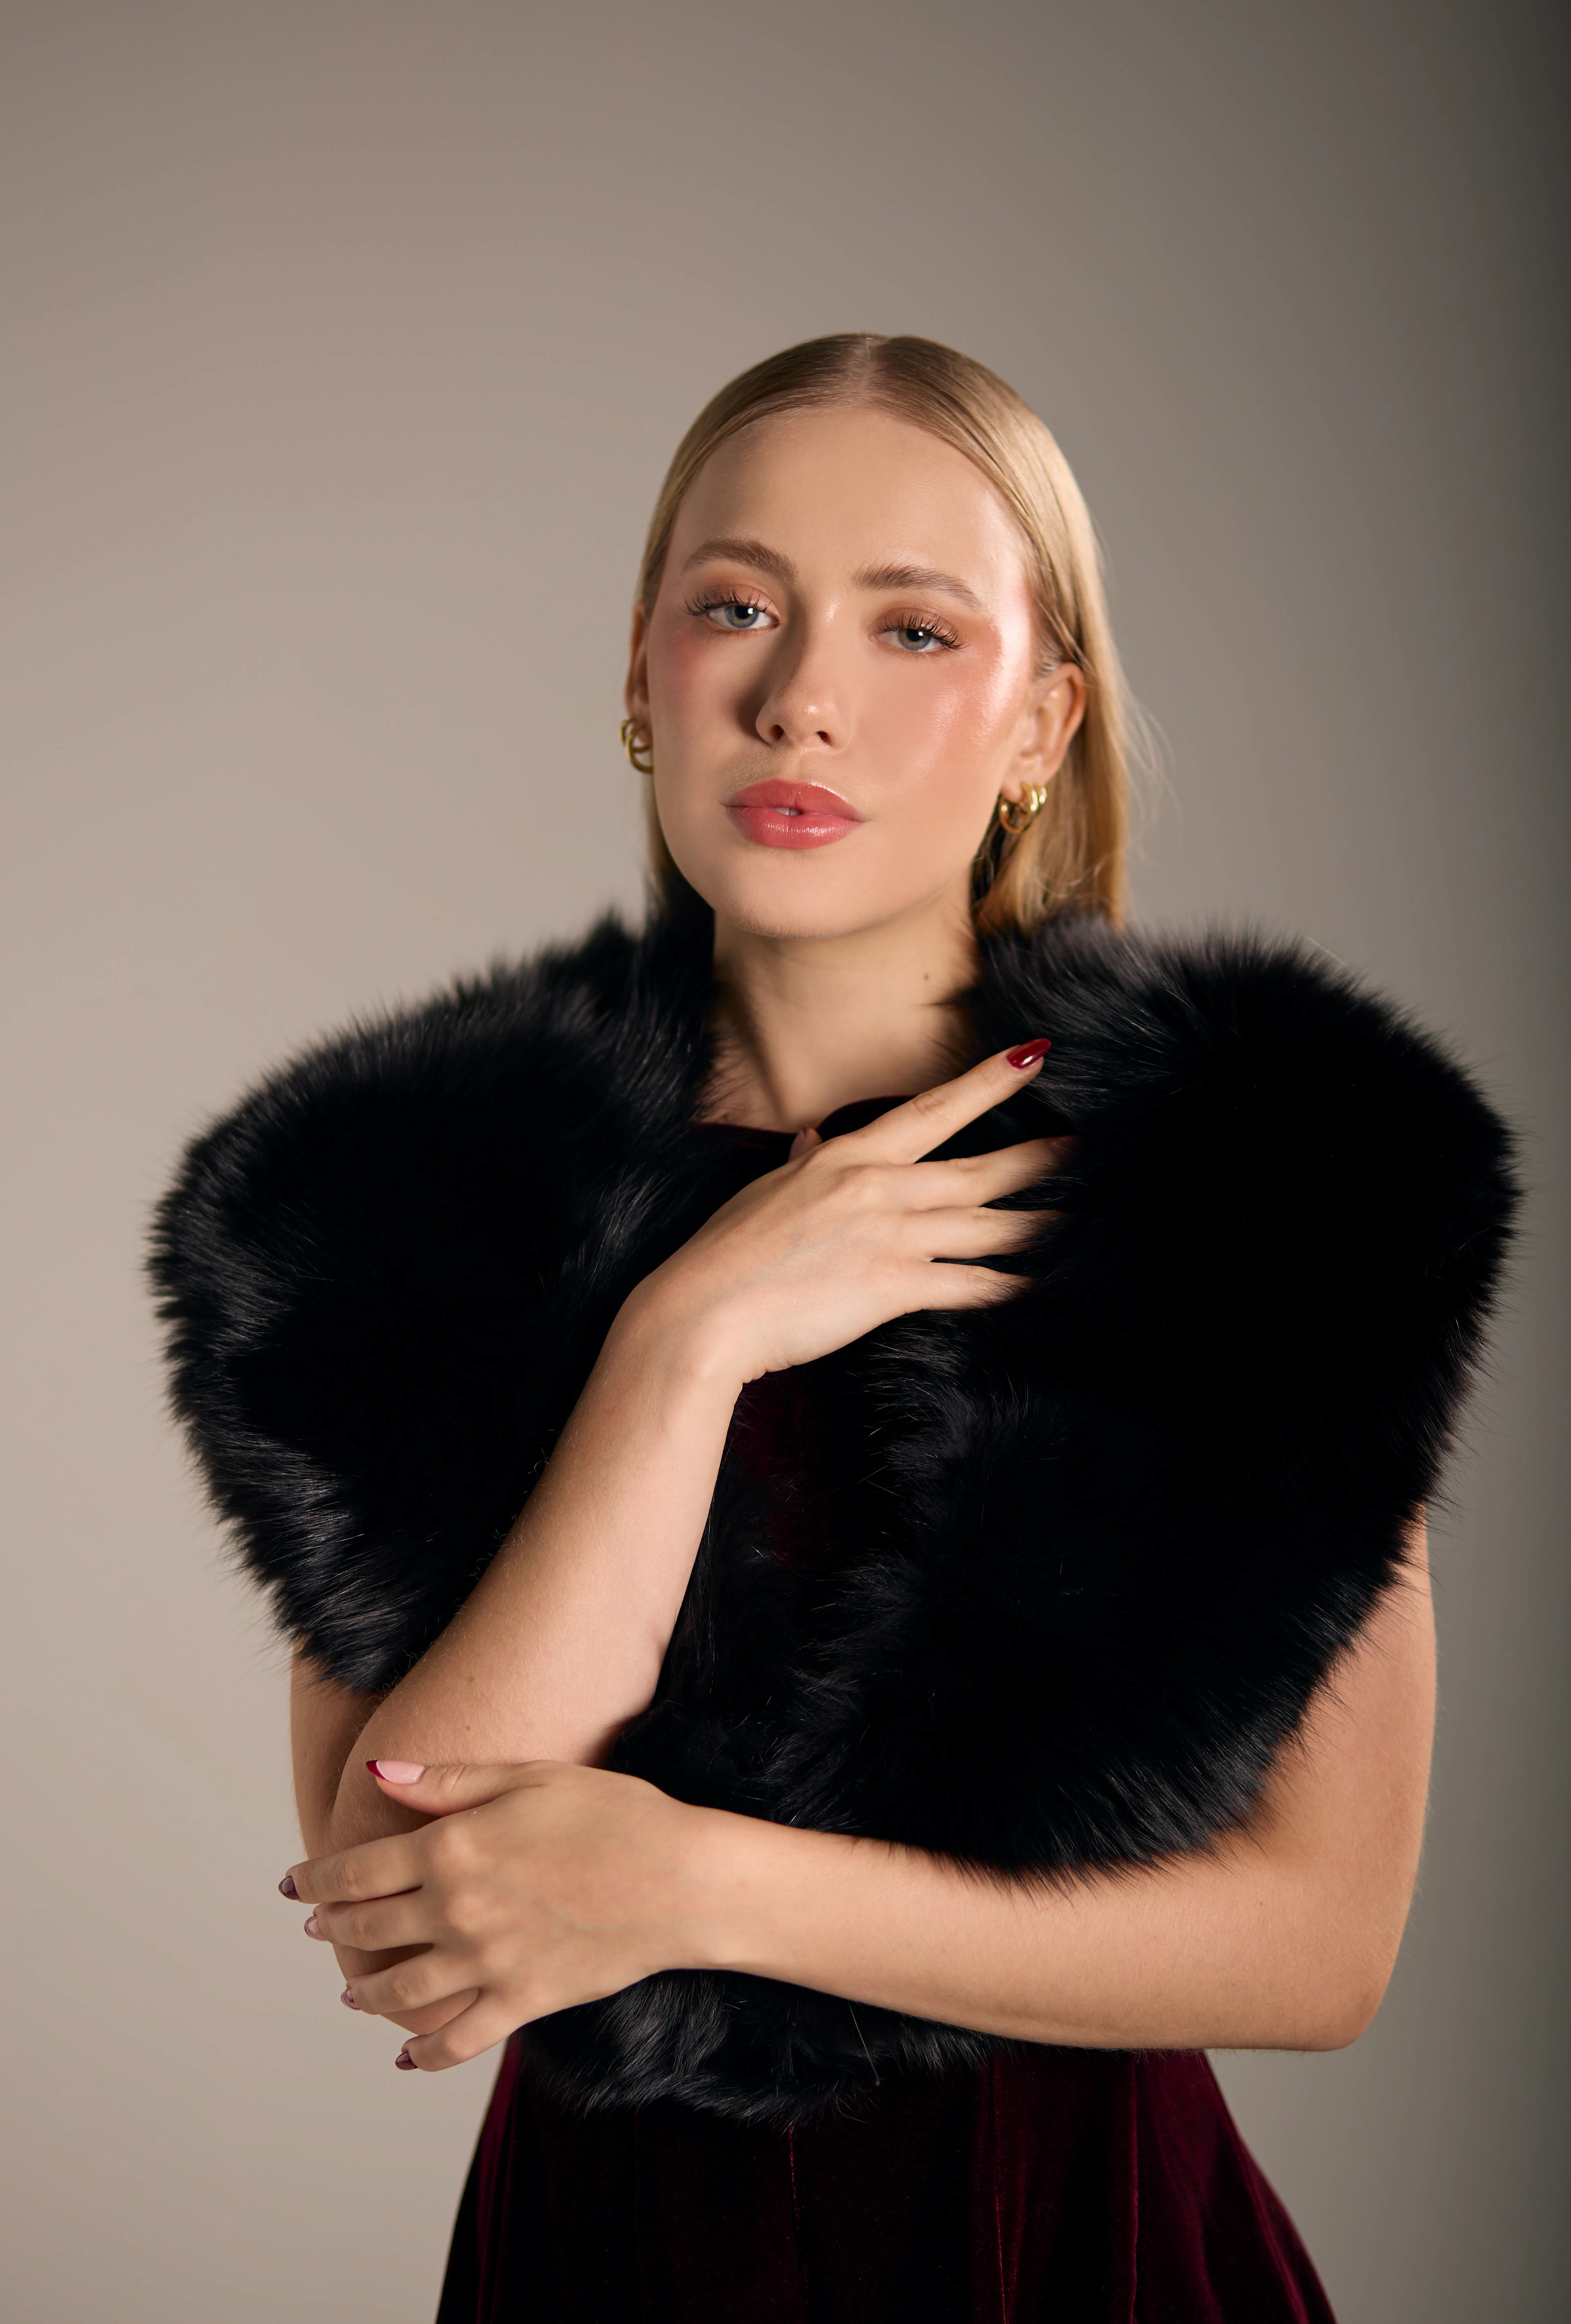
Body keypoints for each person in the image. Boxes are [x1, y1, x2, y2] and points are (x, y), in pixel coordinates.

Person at [151, 334, 1515, 2321]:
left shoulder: (1255, 1188)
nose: (802, 697)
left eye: (914, 629)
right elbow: (400, 1898)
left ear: (1042, 721)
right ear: (643, 675)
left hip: (1085, 2258)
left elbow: (1322, 1947)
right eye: (738, 607)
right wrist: (681, 1344)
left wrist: (702, 1887)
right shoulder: (408, 1208)